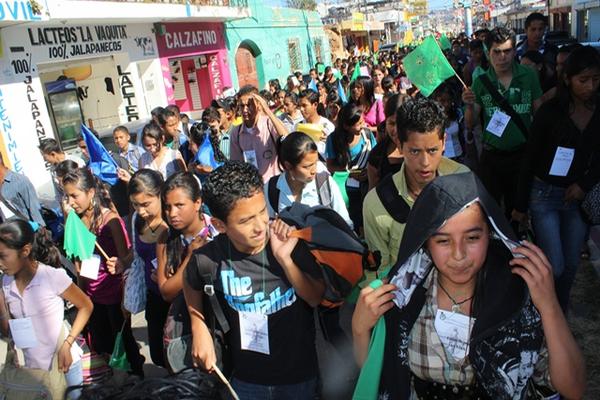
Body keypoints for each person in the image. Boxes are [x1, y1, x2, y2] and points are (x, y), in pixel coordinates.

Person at [352, 172, 585, 399]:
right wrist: (360, 330)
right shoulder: (403, 296)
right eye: (443, 241)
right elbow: (379, 378)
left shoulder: (517, 296)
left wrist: (550, 306)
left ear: (491, 234)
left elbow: (572, 389)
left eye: (472, 238)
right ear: (425, 242)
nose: (459, 255)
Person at [183, 161, 325, 398]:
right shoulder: (209, 259)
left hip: (299, 376)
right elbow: (191, 281)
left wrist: (286, 261)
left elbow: (315, 297)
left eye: (262, 211)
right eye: (245, 220)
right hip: (244, 378)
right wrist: (198, 326)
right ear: (219, 225)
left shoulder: (288, 242)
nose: (260, 226)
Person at [514, 46, 600, 312]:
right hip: (544, 196)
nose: (590, 86)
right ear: (567, 79)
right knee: (556, 264)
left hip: (577, 197)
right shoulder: (550, 112)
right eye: (583, 80)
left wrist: (583, 185)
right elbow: (530, 158)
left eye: (596, 79)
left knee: (572, 264)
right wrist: (520, 205)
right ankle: (544, 311)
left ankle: (558, 314)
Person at [363, 98, 469, 275]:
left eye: (432, 150)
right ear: (399, 145)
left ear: (444, 142)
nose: (425, 163)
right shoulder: (376, 204)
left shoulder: (462, 181)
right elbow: (379, 273)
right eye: (415, 151)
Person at [62, 168, 145, 377]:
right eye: (67, 195)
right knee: (101, 343)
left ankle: (138, 378)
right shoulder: (74, 221)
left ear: (90, 193)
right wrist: (82, 296)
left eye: (75, 195)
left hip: (114, 294)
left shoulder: (111, 221)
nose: (71, 202)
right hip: (91, 295)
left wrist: (120, 265)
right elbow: (78, 261)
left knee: (123, 341)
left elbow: (128, 257)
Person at [0, 220, 92, 398]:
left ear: (25, 251)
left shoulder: (52, 277)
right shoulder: (5, 283)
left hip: (64, 363)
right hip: (34, 371)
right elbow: (9, 328)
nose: (0, 263)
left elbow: (86, 305)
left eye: (3, 256)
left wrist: (68, 343)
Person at [463, 27, 542, 217]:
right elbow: (470, 124)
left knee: (518, 213)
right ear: (488, 53)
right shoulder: (480, 82)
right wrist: (469, 105)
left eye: (507, 51)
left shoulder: (528, 75)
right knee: (490, 213)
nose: (502, 57)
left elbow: (539, 114)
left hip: (522, 157)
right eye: (496, 52)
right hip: (492, 158)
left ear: (515, 51)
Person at [128, 169, 170, 367]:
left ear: (160, 194)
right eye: (135, 205)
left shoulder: (173, 219)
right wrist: (123, 262)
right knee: (157, 353)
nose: (141, 211)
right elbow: (136, 254)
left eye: (146, 204)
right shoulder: (137, 220)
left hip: (176, 298)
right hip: (153, 295)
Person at [265, 131, 351, 227]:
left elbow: (346, 224)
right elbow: (266, 226)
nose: (314, 170)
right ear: (288, 166)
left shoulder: (325, 184)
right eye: (307, 166)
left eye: (315, 163)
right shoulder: (272, 189)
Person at [326, 103, 377, 233]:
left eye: (363, 122)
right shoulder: (333, 139)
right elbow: (330, 166)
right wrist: (349, 173)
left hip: (367, 183)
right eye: (358, 124)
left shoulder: (367, 135)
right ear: (346, 126)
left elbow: (375, 158)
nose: (363, 126)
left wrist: (368, 172)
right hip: (345, 185)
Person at [229, 85, 289, 182]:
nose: (245, 110)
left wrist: (268, 111)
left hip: (276, 185)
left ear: (258, 105)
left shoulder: (269, 124)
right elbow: (236, 165)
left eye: (249, 105)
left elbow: (287, 138)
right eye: (242, 106)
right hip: (255, 189)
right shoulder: (236, 133)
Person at [366, 93, 406, 191]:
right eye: (391, 123)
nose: (396, 130)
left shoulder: (421, 150)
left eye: (401, 123)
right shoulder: (377, 156)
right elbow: (372, 194)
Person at [0, 152, 45, 226]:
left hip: (26, 231)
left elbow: (35, 209)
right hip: (6, 233)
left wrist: (41, 230)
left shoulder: (20, 180)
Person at [39, 138, 86, 207]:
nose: (44, 159)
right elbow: (59, 196)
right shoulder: (52, 171)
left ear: (53, 154)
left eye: (44, 156)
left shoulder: (77, 162)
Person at [431, 82, 465, 163]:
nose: (446, 104)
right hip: (441, 159)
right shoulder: (431, 117)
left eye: (448, 100)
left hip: (459, 157)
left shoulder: (458, 114)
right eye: (442, 101)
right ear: (435, 100)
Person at [297, 89, 336, 156]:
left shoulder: (329, 127)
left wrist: (330, 142)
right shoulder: (297, 127)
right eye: (299, 106)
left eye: (304, 105)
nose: (301, 109)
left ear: (315, 105)